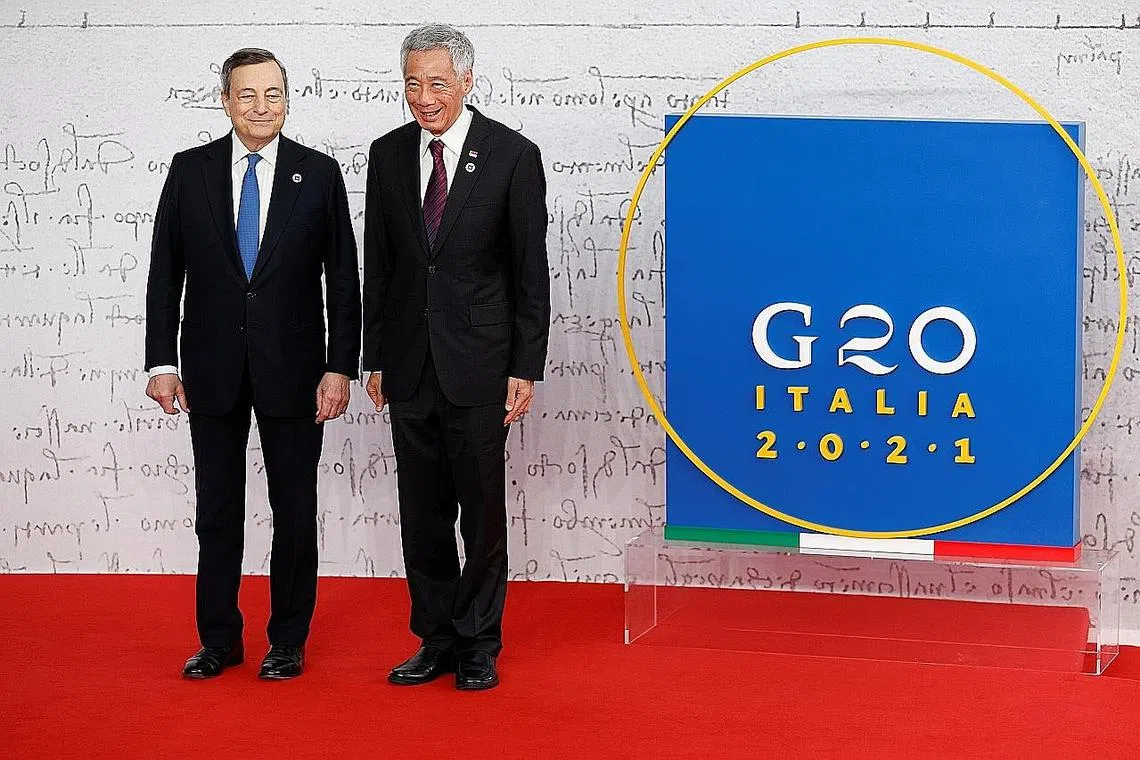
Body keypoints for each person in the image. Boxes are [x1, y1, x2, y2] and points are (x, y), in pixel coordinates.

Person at [144, 48, 361, 680]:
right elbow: (165, 273)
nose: (261, 107)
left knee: (294, 508)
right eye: (247, 95)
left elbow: (343, 279)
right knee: (217, 510)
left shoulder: (318, 174)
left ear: (287, 99)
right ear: (225, 100)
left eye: (273, 94)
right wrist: (160, 362)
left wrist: (339, 366)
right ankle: (219, 639)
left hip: (296, 371)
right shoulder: (189, 171)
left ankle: (288, 639)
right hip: (210, 368)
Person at [362, 23, 550, 691]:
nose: (424, 97)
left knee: (482, 512)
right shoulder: (387, 154)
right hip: (409, 365)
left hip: (481, 365)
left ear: (467, 81)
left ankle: (478, 642)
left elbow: (530, 272)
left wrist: (525, 366)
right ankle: (436, 638)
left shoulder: (512, 155)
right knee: (422, 514)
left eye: (437, 83)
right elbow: (380, 264)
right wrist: (375, 356)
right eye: (412, 83)